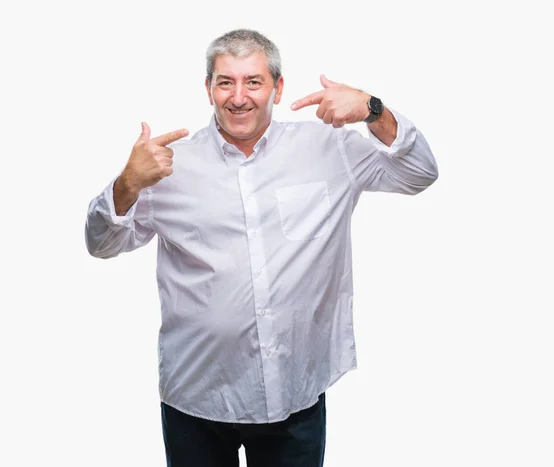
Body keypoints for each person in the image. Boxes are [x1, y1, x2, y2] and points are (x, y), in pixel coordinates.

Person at [85, 28, 438, 467]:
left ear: (277, 86)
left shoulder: (329, 150)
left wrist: (372, 109)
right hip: (196, 399)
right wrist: (126, 184)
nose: (239, 97)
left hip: (296, 392)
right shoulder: (168, 167)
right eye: (225, 82)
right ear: (209, 89)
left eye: (253, 81)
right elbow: (100, 244)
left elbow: (420, 172)